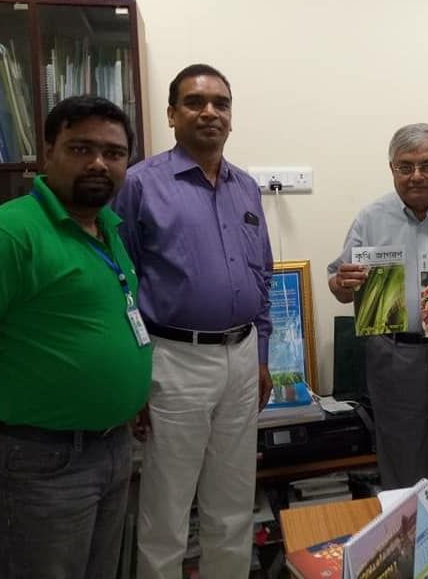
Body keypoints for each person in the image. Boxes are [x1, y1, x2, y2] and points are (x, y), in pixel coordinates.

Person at [0, 96, 150, 578]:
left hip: (111, 449)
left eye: (113, 153)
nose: (98, 162)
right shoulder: (5, 235)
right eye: (81, 148)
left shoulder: (108, 229)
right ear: (48, 152)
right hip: (37, 463)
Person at [111, 63, 273, 579]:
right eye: (195, 102)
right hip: (173, 359)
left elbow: (262, 274)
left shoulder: (246, 187)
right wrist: (135, 374)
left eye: (220, 104)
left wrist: (262, 356)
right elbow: (120, 285)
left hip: (242, 357)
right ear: (172, 114)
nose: (209, 112)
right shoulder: (139, 184)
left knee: (233, 504)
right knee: (167, 510)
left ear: (231, 117)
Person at [327, 123, 428, 489]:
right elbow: (338, 284)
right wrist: (343, 282)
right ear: (392, 169)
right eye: (405, 167)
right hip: (395, 358)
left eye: (427, 165)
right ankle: (417, 546)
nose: (416, 176)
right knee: (404, 474)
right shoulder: (370, 218)